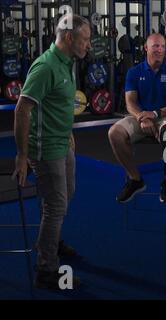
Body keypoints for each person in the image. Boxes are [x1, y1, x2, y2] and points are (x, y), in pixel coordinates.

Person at [14, 14, 91, 289]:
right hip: (45, 148)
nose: (89, 45)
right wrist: (22, 156)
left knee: (64, 196)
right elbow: (22, 109)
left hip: (62, 141)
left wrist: (68, 129)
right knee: (56, 204)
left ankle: (51, 239)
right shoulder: (45, 67)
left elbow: (58, 102)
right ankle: (46, 269)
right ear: (69, 38)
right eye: (85, 39)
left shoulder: (68, 63)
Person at [108, 33, 166, 204]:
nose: (159, 50)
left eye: (162, 46)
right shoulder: (134, 72)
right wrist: (142, 118)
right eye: (155, 46)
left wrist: (156, 114)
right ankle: (135, 179)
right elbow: (130, 102)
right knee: (114, 133)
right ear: (146, 48)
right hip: (141, 117)